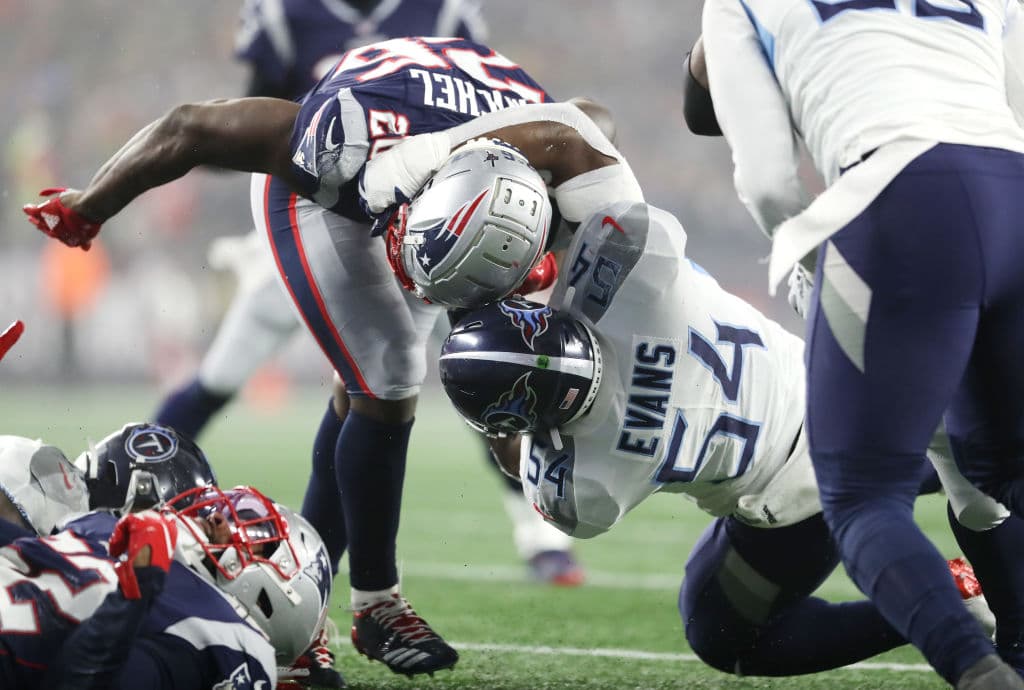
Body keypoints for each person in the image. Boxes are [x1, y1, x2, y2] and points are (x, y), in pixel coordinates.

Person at [22, 36, 639, 677]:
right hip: (330, 197)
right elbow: (188, 126)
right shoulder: (340, 138)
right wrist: (90, 205)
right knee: (391, 372)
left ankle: (300, 619)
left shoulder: (552, 163)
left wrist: (528, 430)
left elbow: (592, 122)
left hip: (459, 176)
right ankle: (377, 603)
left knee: (371, 391)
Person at [155, 0, 583, 594]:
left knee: (474, 371)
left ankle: (539, 535)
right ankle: (135, 489)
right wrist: (262, 150)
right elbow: (270, 111)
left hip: (434, 230)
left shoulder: (444, 13)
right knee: (230, 375)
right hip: (320, 213)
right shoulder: (287, 15)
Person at [698, 0, 1024, 686]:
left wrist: (817, 264)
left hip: (900, 194)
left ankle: (979, 672)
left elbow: (766, 182)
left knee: (863, 495)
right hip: (1015, 195)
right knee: (1002, 471)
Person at [0, 483, 331, 689]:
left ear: (279, 592)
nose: (217, 517)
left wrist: (138, 587)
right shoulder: (112, 526)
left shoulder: (227, 634)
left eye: (254, 531)